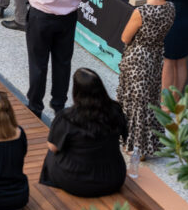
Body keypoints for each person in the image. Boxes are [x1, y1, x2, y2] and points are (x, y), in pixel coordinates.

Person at [118, 0, 175, 172]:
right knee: (149, 99)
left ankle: (134, 144)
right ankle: (147, 142)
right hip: (155, 57)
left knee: (134, 100)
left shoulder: (141, 12)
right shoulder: (170, 8)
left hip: (137, 59)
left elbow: (125, 38)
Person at [39, 68, 128, 197]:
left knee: (52, 150)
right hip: (113, 177)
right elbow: (124, 135)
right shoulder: (115, 110)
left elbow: (52, 147)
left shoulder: (67, 117)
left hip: (75, 181)